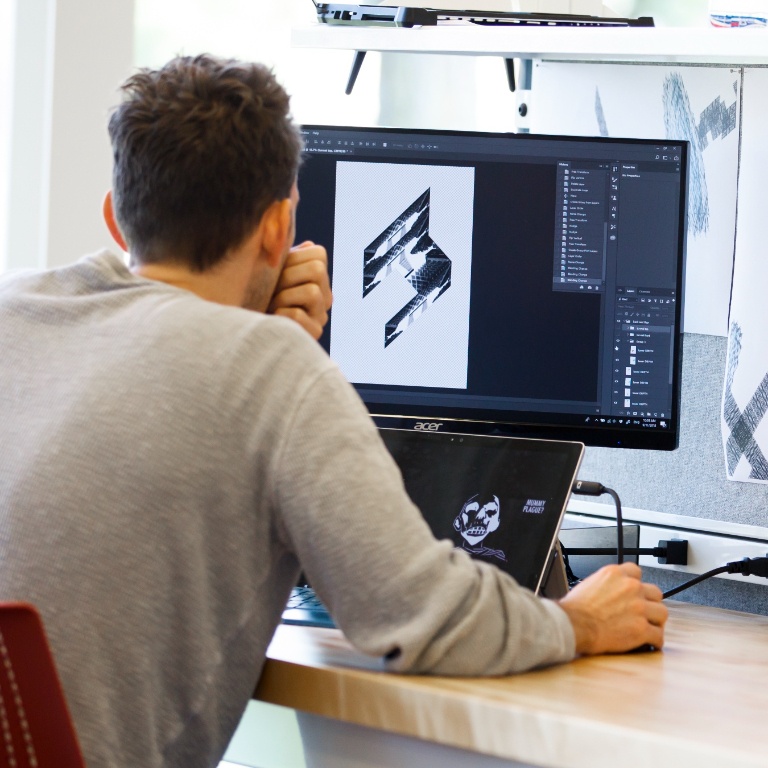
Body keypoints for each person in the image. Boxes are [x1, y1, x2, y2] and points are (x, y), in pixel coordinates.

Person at [0, 54, 667, 768]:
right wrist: (577, 623)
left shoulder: (17, 312)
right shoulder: (271, 372)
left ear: (116, 214)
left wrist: (269, 341)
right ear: (279, 227)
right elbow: (426, 621)